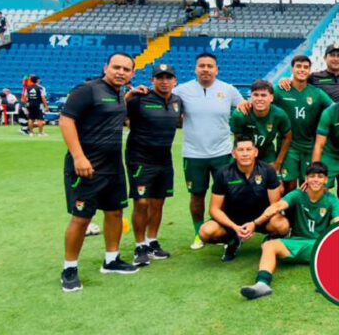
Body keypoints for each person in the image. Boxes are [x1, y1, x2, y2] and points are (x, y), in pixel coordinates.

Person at [59, 53, 137, 292]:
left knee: (115, 212)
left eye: (126, 69)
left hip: (113, 166)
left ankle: (111, 260)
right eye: (116, 67)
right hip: (87, 166)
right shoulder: (88, 90)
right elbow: (66, 121)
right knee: (81, 218)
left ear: (132, 74)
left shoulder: (120, 94)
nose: (120, 72)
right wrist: (78, 157)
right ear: (106, 67)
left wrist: (132, 95)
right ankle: (69, 268)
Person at [239, 162, 339, 300]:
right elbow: (277, 206)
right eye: (312, 176)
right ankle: (262, 284)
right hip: (296, 243)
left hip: (320, 247)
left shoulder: (332, 200)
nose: (316, 180)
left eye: (320, 176)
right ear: (306, 178)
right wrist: (254, 223)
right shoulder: (297, 195)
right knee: (269, 245)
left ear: (326, 180)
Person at [172, 52, 245, 250]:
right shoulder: (182, 90)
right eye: (201, 65)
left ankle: (227, 232)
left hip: (222, 152)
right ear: (195, 69)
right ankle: (198, 233)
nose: (205, 69)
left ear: (217, 69)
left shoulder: (228, 90)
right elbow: (166, 105)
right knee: (197, 195)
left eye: (210, 66)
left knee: (228, 194)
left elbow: (245, 110)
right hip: (193, 154)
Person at [124, 63, 183, 266]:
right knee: (141, 202)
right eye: (160, 77)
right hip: (140, 158)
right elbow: (118, 114)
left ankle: (152, 241)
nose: (164, 81)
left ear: (175, 81)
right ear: (152, 80)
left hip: (164, 159)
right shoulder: (140, 99)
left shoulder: (177, 101)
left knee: (158, 202)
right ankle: (140, 245)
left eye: (168, 78)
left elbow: (180, 122)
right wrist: (127, 96)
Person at [198, 136, 287, 262]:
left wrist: (255, 223)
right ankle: (233, 240)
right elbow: (214, 209)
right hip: (233, 221)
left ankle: (270, 240)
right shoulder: (223, 173)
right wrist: (235, 227)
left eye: (248, 149)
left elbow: (275, 206)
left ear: (255, 152)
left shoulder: (268, 171)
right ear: (234, 153)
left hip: (261, 220)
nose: (245, 154)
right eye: (240, 150)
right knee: (205, 232)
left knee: (282, 225)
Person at [272, 55, 333, 189]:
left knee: (309, 185)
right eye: (298, 66)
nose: (302, 70)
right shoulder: (280, 90)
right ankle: (289, 210)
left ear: (309, 70)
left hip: (310, 146)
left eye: (306, 67)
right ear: (292, 69)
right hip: (288, 147)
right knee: (289, 186)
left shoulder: (317, 93)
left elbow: (335, 109)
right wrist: (245, 104)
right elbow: (262, 99)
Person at [230, 80, 292, 177]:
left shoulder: (279, 114)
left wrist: (278, 162)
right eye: (256, 95)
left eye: (263, 95)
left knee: (276, 186)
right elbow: (237, 138)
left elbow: (287, 136)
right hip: (245, 152)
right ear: (251, 96)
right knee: (237, 183)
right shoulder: (240, 115)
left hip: (267, 152)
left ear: (271, 98)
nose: (259, 99)